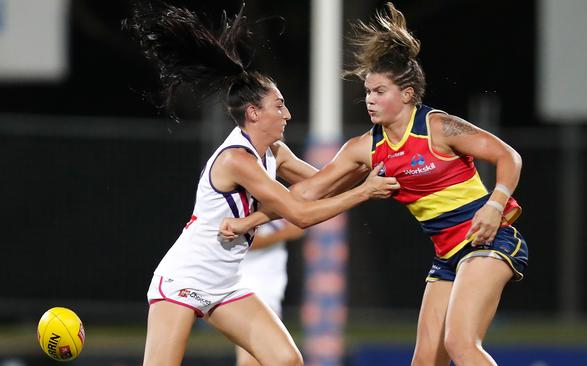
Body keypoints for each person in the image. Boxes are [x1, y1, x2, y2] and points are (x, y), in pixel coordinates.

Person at [220, 3, 528, 366]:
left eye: (380, 91)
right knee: (425, 361)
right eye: (367, 91)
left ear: (408, 94)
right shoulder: (366, 148)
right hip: (447, 256)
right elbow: (308, 192)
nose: (370, 99)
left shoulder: (439, 128)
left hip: (488, 240)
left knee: (461, 343)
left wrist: (495, 204)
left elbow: (509, 157)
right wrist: (248, 221)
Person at [125, 4, 399, 366]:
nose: (286, 114)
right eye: (279, 105)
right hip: (182, 280)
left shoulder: (275, 151)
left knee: (287, 360)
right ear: (254, 113)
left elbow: (320, 184)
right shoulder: (237, 160)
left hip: (225, 284)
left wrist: (368, 162)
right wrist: (364, 191)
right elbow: (300, 213)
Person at [235, 220, 304, 366]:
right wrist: (284, 233)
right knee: (253, 357)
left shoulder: (279, 202)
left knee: (270, 357)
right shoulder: (245, 203)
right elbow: (239, 242)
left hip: (269, 285)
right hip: (250, 284)